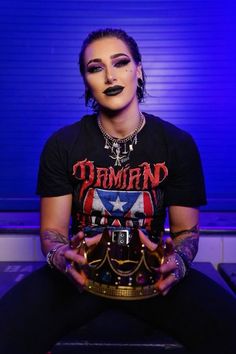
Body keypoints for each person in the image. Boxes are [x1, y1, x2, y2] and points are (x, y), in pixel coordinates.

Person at [0, 28, 236, 354]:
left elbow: (186, 233)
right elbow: (53, 231)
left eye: (121, 62)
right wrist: (60, 256)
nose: (110, 75)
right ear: (86, 82)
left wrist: (177, 262)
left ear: (138, 70)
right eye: (95, 68)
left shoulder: (178, 145)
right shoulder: (62, 145)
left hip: (153, 279)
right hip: (81, 278)